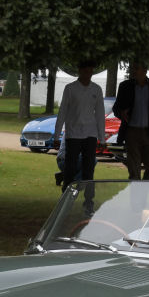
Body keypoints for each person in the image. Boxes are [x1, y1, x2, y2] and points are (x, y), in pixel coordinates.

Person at [54, 59, 105, 216]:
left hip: (90, 134)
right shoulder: (70, 88)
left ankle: (88, 204)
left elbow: (100, 114)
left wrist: (102, 138)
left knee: (89, 171)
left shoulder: (96, 89)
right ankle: (65, 203)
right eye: (86, 71)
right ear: (80, 71)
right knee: (70, 170)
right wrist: (56, 135)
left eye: (91, 71)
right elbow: (63, 111)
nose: (88, 74)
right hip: (73, 134)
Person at [113, 61, 149, 180]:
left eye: (136, 68)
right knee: (134, 171)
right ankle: (136, 192)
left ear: (145, 70)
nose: (133, 71)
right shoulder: (125, 86)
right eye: (132, 68)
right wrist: (121, 113)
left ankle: (143, 190)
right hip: (131, 132)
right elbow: (116, 108)